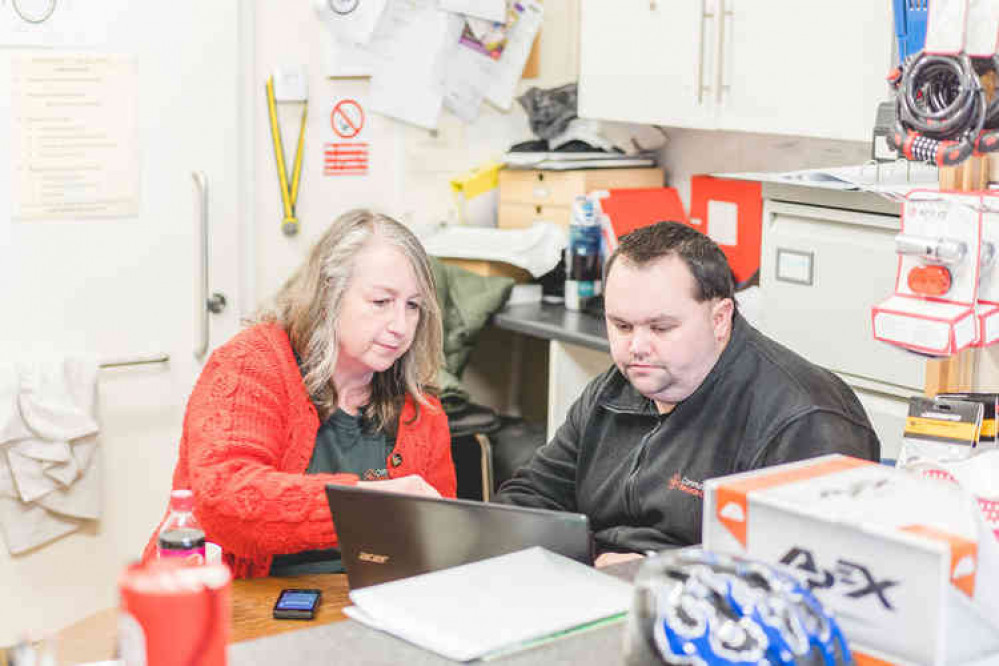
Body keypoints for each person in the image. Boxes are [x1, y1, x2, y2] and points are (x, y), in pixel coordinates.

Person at [495, 221, 880, 565]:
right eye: (622, 326)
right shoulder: (614, 390)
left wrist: (653, 575)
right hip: (599, 587)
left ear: (719, 318)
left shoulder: (804, 419)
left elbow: (807, 577)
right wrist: (592, 560)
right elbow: (529, 501)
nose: (637, 347)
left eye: (661, 328)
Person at [142, 210, 456, 578]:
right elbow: (222, 500)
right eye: (381, 302)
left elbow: (437, 544)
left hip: (367, 611)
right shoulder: (250, 364)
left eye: (413, 306)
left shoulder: (421, 408)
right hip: (235, 605)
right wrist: (366, 505)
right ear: (329, 295)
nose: (400, 326)